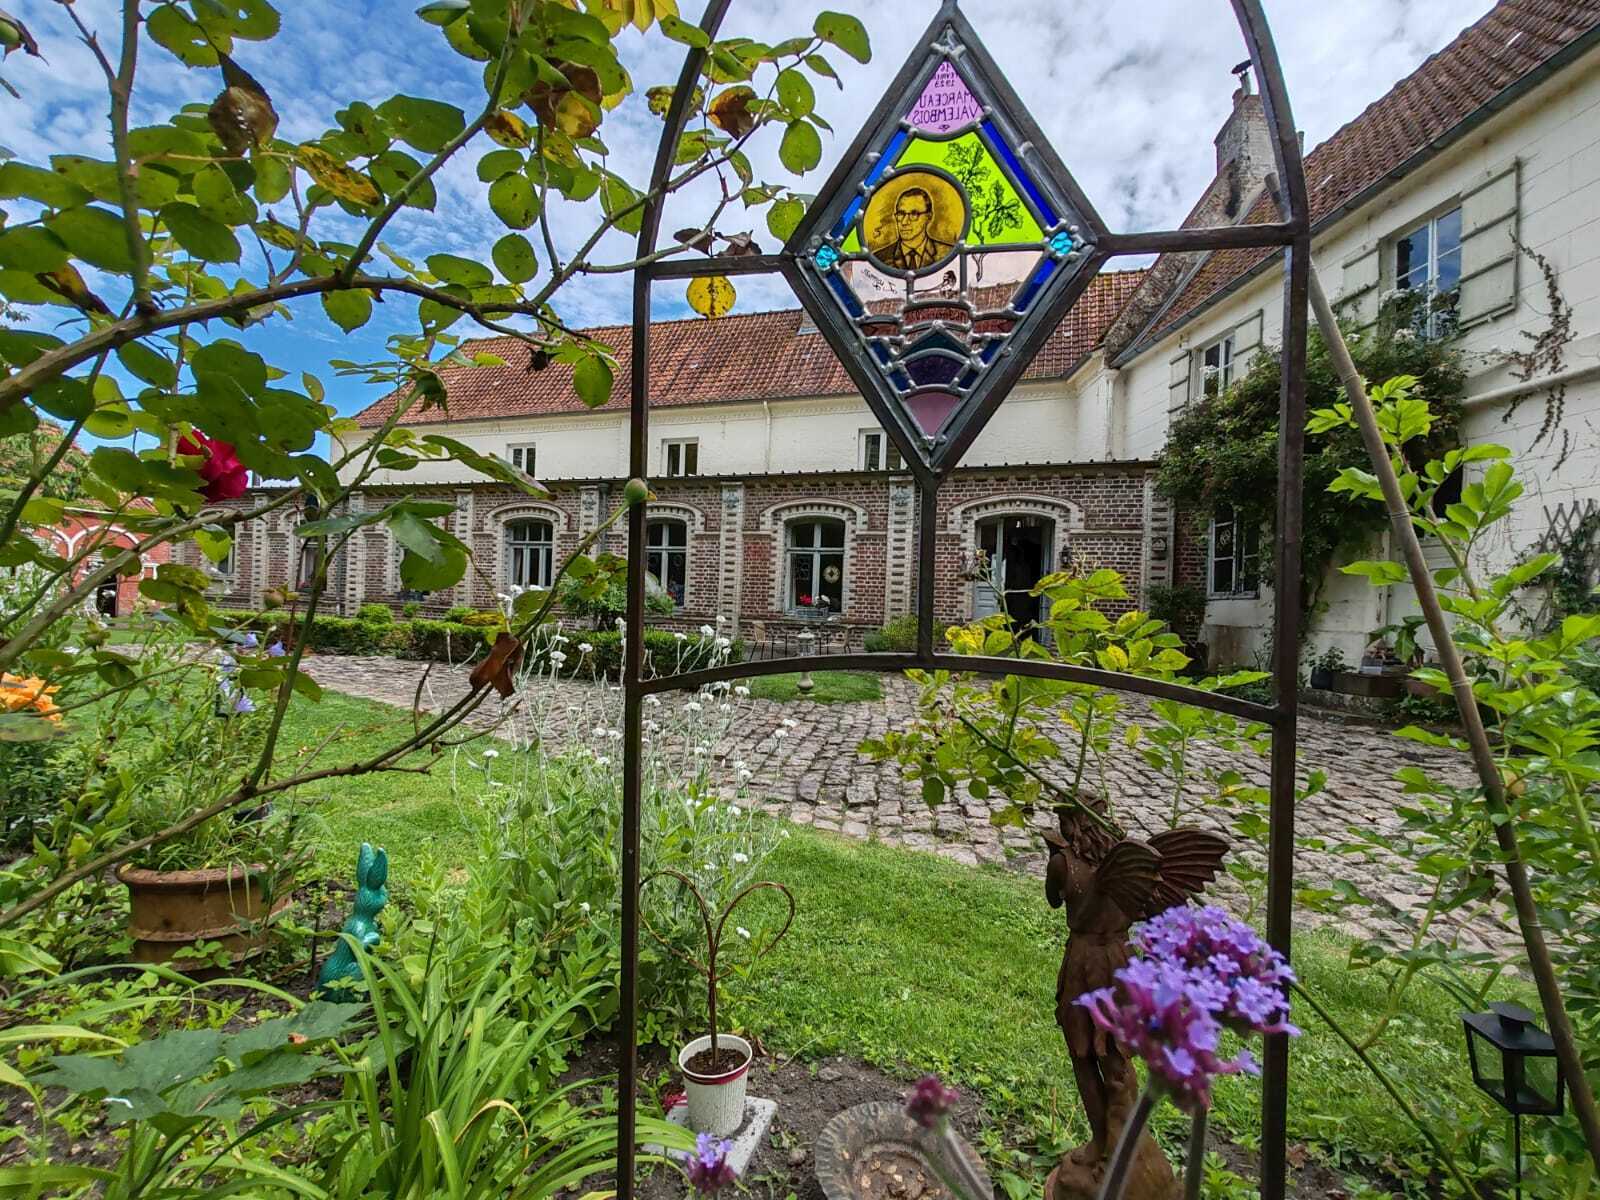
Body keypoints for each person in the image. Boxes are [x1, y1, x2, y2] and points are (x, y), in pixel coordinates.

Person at [873, 187, 951, 270]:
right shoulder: (879, 258)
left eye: (914, 214)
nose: (904, 222)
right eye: (901, 214)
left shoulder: (948, 253)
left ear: (929, 216)